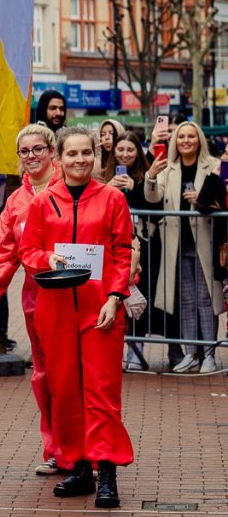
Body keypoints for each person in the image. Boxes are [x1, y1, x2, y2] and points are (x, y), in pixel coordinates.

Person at [19, 126, 134, 508]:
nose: (80, 160)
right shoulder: (42, 202)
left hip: (101, 308)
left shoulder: (113, 199)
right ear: (59, 158)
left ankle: (107, 472)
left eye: (87, 153)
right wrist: (45, 259)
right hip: (56, 309)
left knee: (101, 392)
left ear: (95, 157)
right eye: (72, 154)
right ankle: (79, 466)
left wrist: (116, 296)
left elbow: (121, 252)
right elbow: (28, 250)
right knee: (65, 390)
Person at [0, 124, 62, 473]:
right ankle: (55, 449)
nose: (32, 156)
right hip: (37, 298)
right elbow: (2, 254)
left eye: (38, 149)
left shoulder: (72, 189)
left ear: (52, 151)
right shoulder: (16, 201)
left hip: (79, 298)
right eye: (25, 151)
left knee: (79, 376)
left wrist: (124, 288)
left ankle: (87, 449)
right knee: (45, 376)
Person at [144, 121, 225, 373]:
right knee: (186, 301)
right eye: (181, 137)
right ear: (175, 142)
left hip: (205, 242)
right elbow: (152, 198)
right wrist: (150, 176)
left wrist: (202, 196)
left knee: (206, 299)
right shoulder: (168, 168)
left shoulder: (213, 165)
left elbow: (222, 197)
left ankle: (209, 354)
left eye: (191, 136)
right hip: (175, 246)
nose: (186, 141)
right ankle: (191, 353)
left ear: (200, 139)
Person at [104, 131, 157, 365]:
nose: (125, 155)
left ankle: (135, 352)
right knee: (114, 295)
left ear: (138, 152)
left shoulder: (146, 174)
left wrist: (136, 187)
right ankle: (115, 351)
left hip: (141, 245)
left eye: (130, 150)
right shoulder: (105, 175)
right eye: (121, 149)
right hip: (111, 246)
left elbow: (153, 204)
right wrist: (108, 188)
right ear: (114, 151)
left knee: (135, 295)